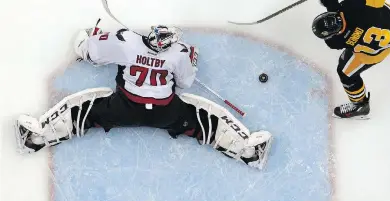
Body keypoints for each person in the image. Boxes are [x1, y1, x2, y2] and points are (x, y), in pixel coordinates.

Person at [15, 24, 273, 170]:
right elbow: (185, 83)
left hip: (124, 107)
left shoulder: (127, 40)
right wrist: (190, 61)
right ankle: (248, 152)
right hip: (166, 112)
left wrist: (90, 39)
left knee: (83, 111)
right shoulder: (180, 52)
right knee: (206, 121)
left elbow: (87, 51)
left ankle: (36, 138)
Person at [312, 0, 390, 119]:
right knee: (346, 67)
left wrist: (329, 0)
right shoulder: (359, 1)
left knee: (345, 72)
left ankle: (361, 105)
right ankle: (360, 104)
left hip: (374, 52)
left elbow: (342, 24)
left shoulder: (334, 41)